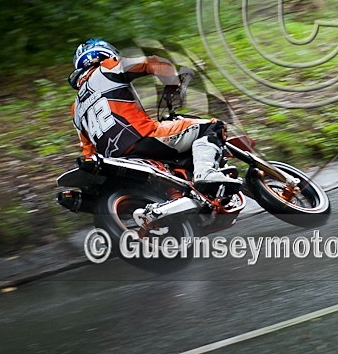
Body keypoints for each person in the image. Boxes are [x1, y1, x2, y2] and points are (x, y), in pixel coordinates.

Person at [68, 38, 241, 226]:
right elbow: (152, 63)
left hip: (114, 158)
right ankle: (205, 174)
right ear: (104, 54)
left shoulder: (75, 108)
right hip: (144, 137)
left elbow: (87, 150)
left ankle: (177, 198)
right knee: (213, 127)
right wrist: (173, 83)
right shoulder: (108, 66)